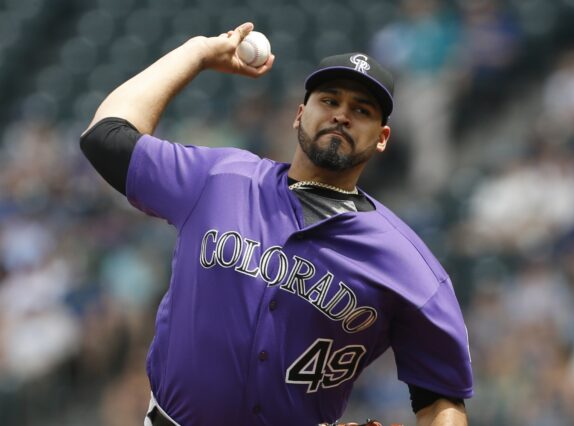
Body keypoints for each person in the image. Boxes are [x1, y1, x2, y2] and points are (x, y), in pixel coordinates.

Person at [80, 22, 473, 426]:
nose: (341, 115)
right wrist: (195, 54)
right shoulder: (219, 179)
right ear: (300, 114)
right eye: (329, 100)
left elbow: (443, 400)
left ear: (382, 137)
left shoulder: (407, 263)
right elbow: (106, 137)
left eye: (361, 110)